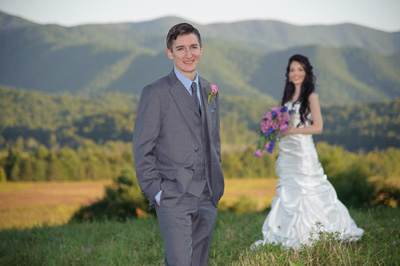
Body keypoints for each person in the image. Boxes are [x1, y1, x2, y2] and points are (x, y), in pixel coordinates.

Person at [132, 22, 224, 265]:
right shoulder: (155, 92)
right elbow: (143, 149)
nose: (188, 54)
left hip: (208, 194)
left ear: (201, 49)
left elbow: (214, 140)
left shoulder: (210, 90)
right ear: (169, 53)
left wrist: (215, 183)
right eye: (180, 48)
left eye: (193, 47)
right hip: (174, 195)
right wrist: (157, 192)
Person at [252, 54, 363, 249]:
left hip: (302, 153)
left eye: (300, 70)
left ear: (307, 72)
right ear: (288, 74)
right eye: (292, 70)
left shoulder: (311, 96)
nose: (295, 73)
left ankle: (318, 230)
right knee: (288, 191)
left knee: (307, 189)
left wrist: (292, 130)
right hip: (287, 152)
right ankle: (285, 232)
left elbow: (319, 127)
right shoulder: (288, 97)